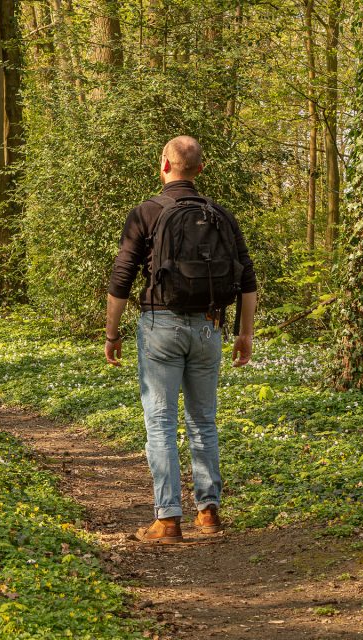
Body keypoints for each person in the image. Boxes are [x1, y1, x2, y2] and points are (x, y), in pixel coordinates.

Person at [103, 135, 258, 544]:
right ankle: (208, 513)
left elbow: (121, 278)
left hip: (160, 326)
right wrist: (244, 334)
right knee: (203, 420)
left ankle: (168, 520)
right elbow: (247, 279)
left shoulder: (146, 213)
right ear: (200, 170)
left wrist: (111, 333)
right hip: (210, 327)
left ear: (164, 166)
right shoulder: (222, 216)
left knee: (161, 423)